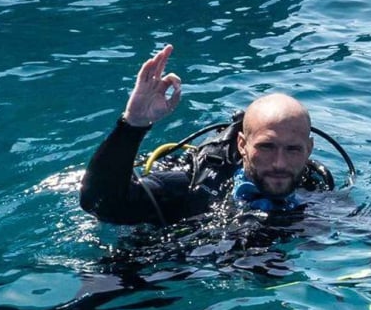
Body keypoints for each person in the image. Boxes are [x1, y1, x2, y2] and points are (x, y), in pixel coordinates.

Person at [80, 45, 335, 225]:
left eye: (293, 149)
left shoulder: (315, 189)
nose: (279, 163)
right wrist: (133, 125)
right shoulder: (197, 185)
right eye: (266, 147)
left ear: (309, 149)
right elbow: (100, 204)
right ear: (242, 144)